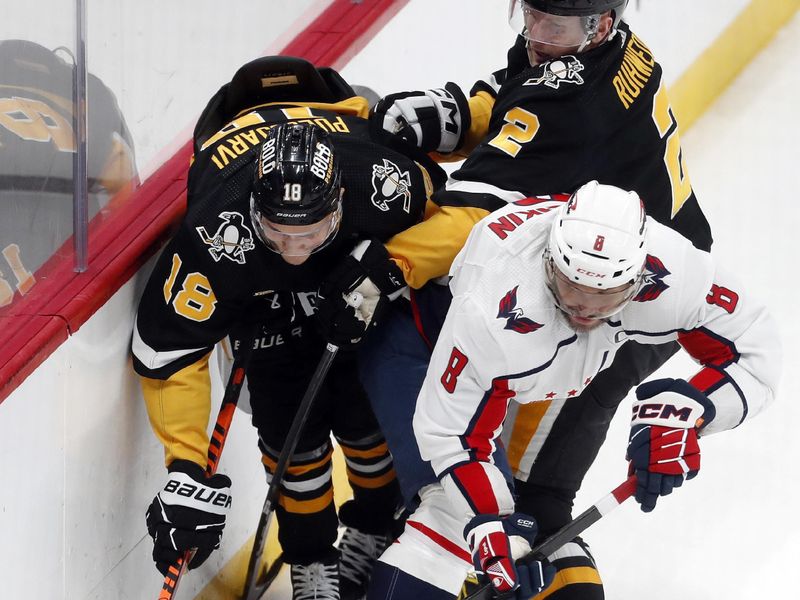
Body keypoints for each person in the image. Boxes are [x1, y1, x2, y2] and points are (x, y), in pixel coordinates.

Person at [345, 1, 715, 596]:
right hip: (619, 278)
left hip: (630, 312)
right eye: (531, 14)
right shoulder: (601, 48)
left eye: (553, 23)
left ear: (598, 23)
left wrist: (379, 267)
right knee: (495, 486)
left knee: (530, 492)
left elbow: (474, 219)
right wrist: (457, 114)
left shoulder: (573, 101)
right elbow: (520, 95)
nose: (535, 33)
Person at [369, 181, 780, 599]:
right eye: (573, 286)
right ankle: (377, 530)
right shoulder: (492, 304)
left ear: (640, 275)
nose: (585, 306)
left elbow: (754, 345)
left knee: (538, 509)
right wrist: (488, 521)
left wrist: (687, 410)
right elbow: (450, 433)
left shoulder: (671, 269)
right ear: (550, 261)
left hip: (558, 367)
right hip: (422, 336)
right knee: (451, 517)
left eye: (605, 293)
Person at [132, 56, 442, 600]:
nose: (295, 252)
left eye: (311, 232)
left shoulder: (383, 181)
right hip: (264, 302)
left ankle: (373, 527)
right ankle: (310, 560)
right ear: (252, 211)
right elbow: (168, 349)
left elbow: (470, 213)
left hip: (353, 281)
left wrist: (395, 262)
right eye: (277, 234)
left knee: (366, 419)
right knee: (287, 436)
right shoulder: (216, 228)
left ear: (340, 202)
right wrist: (184, 463)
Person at [0, 38, 137, 307]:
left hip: (36, 315)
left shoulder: (91, 97)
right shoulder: (92, 99)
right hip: (66, 300)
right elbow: (130, 210)